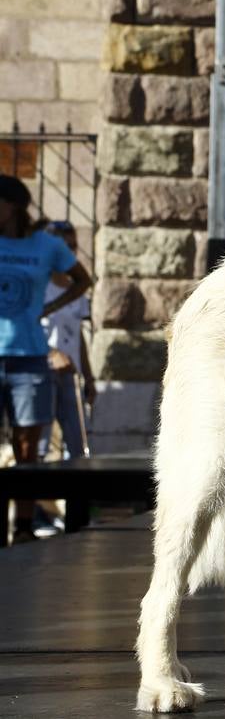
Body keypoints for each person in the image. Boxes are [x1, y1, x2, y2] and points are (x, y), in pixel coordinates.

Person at [0, 177, 91, 543]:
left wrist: (47, 307)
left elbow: (82, 280)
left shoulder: (47, 246)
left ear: (13, 206)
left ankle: (22, 527)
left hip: (29, 357)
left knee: (27, 450)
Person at [38, 220, 96, 462]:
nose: (69, 252)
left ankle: (77, 499)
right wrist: (52, 353)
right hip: (43, 369)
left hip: (72, 372)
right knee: (40, 442)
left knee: (78, 443)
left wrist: (89, 376)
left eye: (73, 247)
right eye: (64, 246)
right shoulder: (40, 287)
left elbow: (79, 334)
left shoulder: (76, 290)